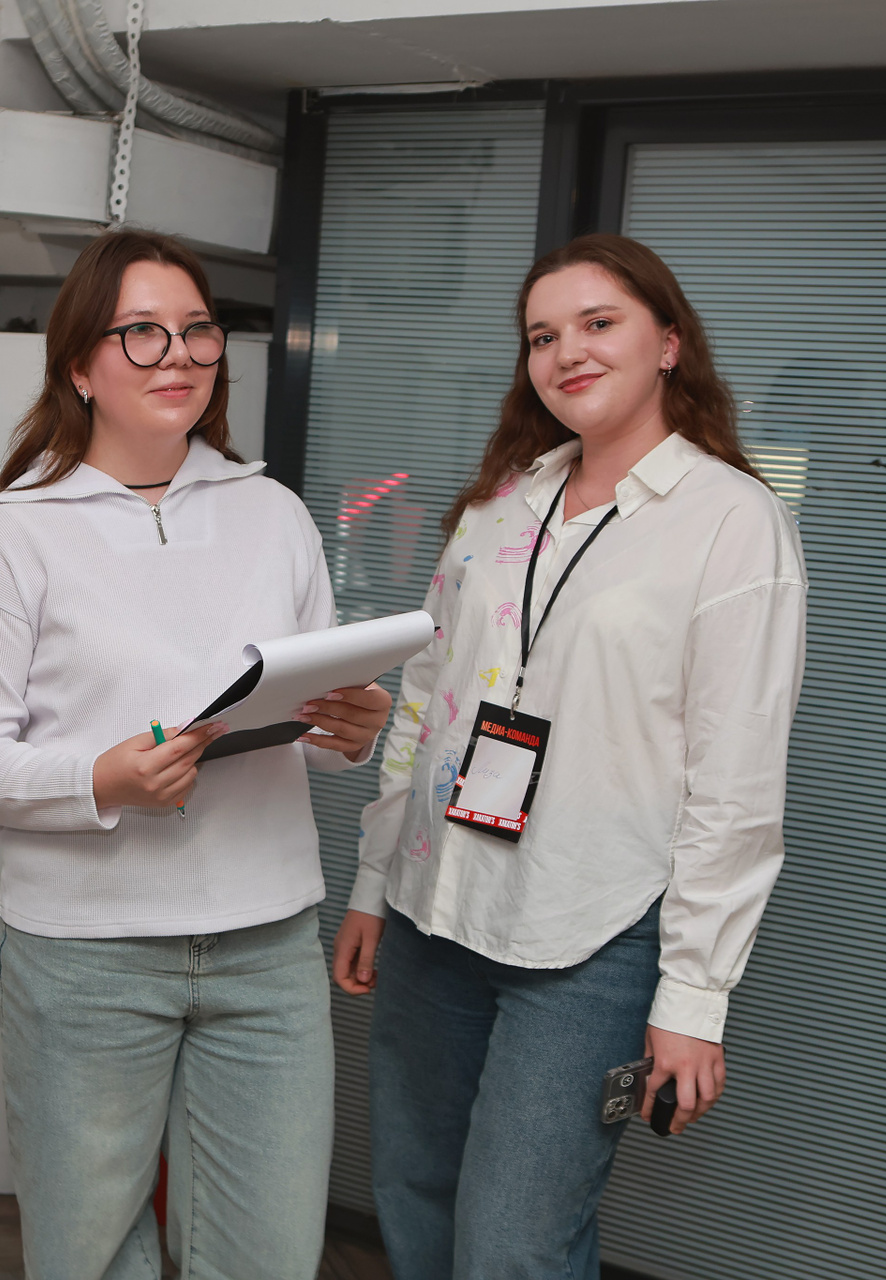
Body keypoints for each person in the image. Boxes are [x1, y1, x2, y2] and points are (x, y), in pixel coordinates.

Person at [333, 233, 807, 1278]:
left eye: (599, 324)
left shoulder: (733, 521)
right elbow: (428, 697)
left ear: (669, 343)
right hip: (433, 906)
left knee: (514, 1246)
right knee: (415, 1199)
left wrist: (693, 1000)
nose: (567, 352)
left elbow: (736, 786)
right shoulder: (502, 500)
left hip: (589, 934)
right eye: (542, 335)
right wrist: (373, 878)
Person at [0, 228, 391, 1279]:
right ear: (79, 366)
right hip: (85, 955)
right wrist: (99, 780)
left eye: (196, 330)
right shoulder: (18, 532)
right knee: (88, 1255)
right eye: (141, 332)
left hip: (268, 943)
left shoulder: (274, 514)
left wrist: (351, 732)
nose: (177, 354)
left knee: (270, 1257)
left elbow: (313, 721)